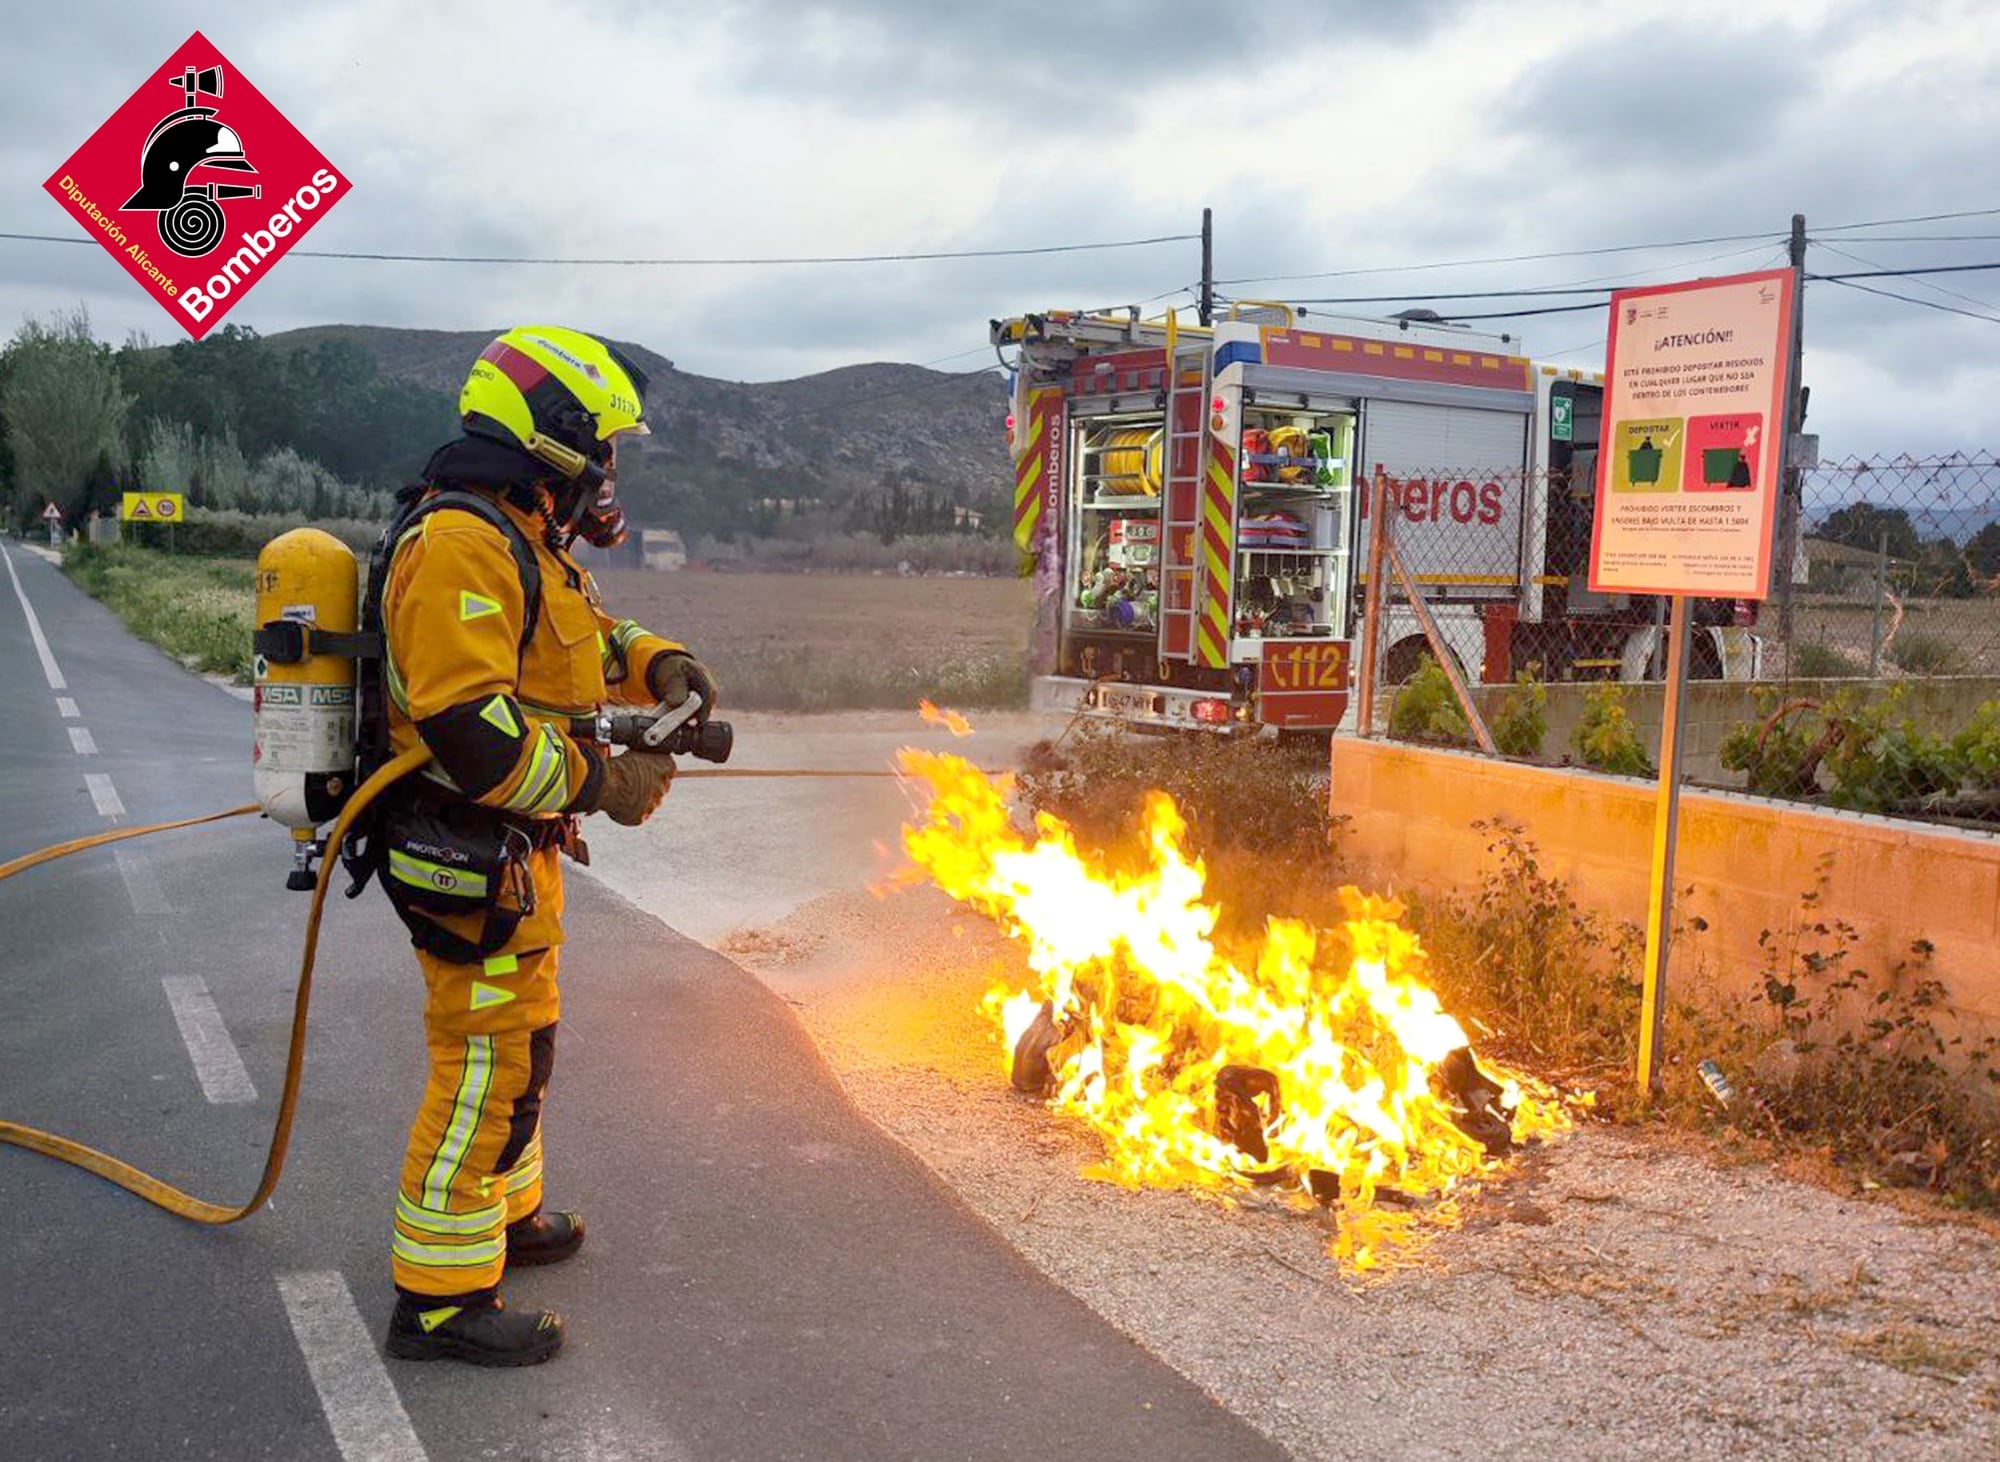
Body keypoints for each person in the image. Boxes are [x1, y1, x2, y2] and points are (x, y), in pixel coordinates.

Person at [375, 326, 714, 1366]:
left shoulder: (520, 535)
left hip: (516, 858)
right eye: (601, 441)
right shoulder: (459, 546)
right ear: (552, 433)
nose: (609, 466)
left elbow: (583, 642)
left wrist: (659, 667)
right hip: (465, 847)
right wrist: (603, 779)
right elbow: (472, 733)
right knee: (481, 1064)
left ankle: (500, 1219)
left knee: (526, 1048)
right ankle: (436, 1300)